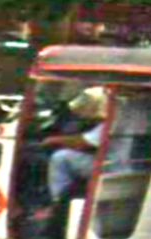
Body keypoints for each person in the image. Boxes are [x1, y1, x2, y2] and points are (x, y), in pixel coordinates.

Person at [38, 86, 107, 216]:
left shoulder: (115, 120)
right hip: (116, 161)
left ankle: (57, 204)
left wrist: (53, 140)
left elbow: (85, 141)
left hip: (109, 166)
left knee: (60, 158)